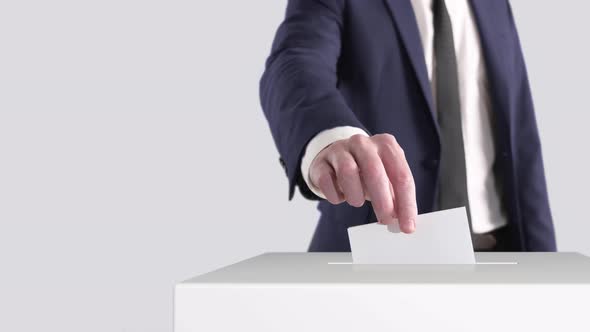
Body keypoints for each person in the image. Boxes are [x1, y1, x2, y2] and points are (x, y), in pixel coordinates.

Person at [259, 0, 556, 252]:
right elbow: (297, 58)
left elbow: (520, 133)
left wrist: (546, 262)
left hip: (500, 250)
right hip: (379, 252)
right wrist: (330, 135)